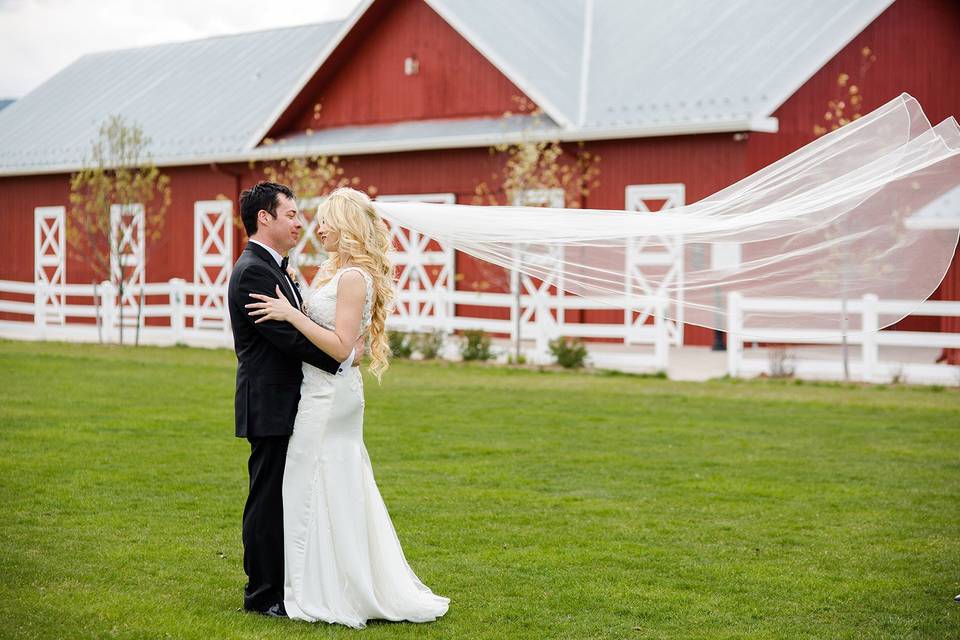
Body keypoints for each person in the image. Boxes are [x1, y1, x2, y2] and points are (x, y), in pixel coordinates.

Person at [246, 186, 450, 627]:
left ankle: (322, 587)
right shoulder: (333, 271)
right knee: (323, 485)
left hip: (329, 398)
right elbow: (349, 343)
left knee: (314, 481)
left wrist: (291, 313)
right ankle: (321, 578)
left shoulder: (355, 277)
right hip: (321, 390)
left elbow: (339, 346)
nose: (316, 228)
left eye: (325, 220)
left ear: (347, 225)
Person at [227, 181, 361, 617]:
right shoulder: (254, 271)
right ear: (264, 218)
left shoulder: (274, 267)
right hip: (269, 402)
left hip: (291, 400)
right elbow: (286, 336)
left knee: (284, 495)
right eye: (291, 215)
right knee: (266, 499)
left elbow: (296, 324)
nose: (299, 223)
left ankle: (287, 586)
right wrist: (341, 358)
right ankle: (263, 595)